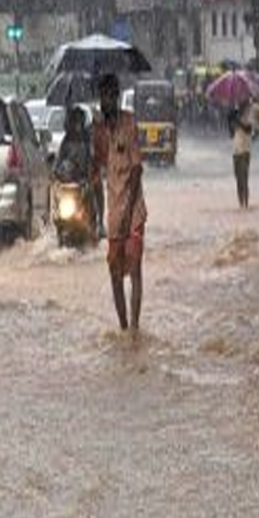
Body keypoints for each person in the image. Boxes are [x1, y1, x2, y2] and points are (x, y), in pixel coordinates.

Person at [92, 73, 146, 331]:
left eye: (109, 96)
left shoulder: (129, 124)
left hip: (133, 210)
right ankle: (124, 327)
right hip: (113, 212)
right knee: (114, 273)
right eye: (102, 97)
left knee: (134, 266)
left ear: (116, 96)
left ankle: (135, 326)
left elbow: (136, 170)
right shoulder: (100, 130)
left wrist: (128, 212)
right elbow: (98, 165)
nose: (106, 101)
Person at [230, 101, 253, 209]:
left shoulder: (248, 115)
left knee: (244, 178)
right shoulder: (235, 116)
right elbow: (231, 134)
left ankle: (246, 203)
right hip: (236, 150)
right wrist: (230, 121)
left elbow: (248, 129)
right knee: (238, 178)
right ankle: (240, 203)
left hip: (245, 151)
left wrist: (238, 121)